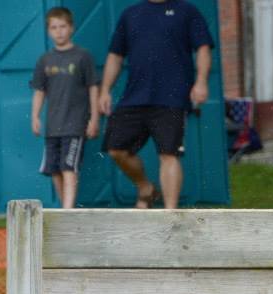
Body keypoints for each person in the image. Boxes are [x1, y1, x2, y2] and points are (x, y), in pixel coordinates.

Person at [98, 0, 213, 210]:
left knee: (168, 154)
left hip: (172, 97)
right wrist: (105, 89)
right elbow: (115, 55)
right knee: (116, 149)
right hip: (135, 97)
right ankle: (145, 187)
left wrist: (202, 81)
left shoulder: (187, 11)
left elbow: (203, 49)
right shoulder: (130, 14)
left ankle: (170, 216)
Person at [30, 8, 99, 210]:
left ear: (71, 28)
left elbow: (93, 88)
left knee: (69, 168)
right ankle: (66, 210)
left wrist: (94, 118)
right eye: (54, 27)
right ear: (48, 31)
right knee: (54, 170)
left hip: (75, 125)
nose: (58, 31)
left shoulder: (82, 56)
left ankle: (67, 212)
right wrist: (35, 116)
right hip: (53, 126)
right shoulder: (45, 60)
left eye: (62, 27)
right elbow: (39, 91)